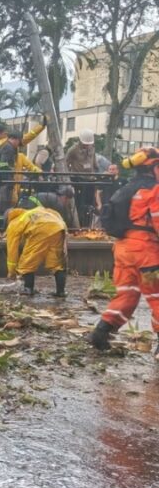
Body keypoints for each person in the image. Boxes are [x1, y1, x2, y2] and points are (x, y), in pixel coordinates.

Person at [88, 148, 159, 355]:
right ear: (152, 167)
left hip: (123, 250)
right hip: (146, 252)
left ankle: (101, 333)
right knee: (156, 295)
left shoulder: (126, 188)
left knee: (127, 294)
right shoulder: (154, 191)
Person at [0, 118, 46, 226]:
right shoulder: (6, 147)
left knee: (0, 206)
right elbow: (3, 166)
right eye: (4, 133)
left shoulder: (4, 147)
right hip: (5, 183)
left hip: (2, 182)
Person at [5, 206, 68, 297]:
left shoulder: (14, 223)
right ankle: (61, 291)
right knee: (57, 264)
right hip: (58, 227)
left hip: (39, 230)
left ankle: (28, 289)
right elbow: (55, 213)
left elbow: (12, 249)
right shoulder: (34, 211)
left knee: (27, 262)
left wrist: (11, 271)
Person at [65, 129, 98, 226]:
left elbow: (94, 161)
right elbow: (65, 163)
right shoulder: (73, 150)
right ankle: (77, 224)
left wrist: (96, 170)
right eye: (85, 144)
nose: (87, 146)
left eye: (89, 144)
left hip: (90, 179)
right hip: (78, 179)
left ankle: (87, 224)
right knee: (79, 203)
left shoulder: (92, 148)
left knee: (89, 203)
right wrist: (68, 176)